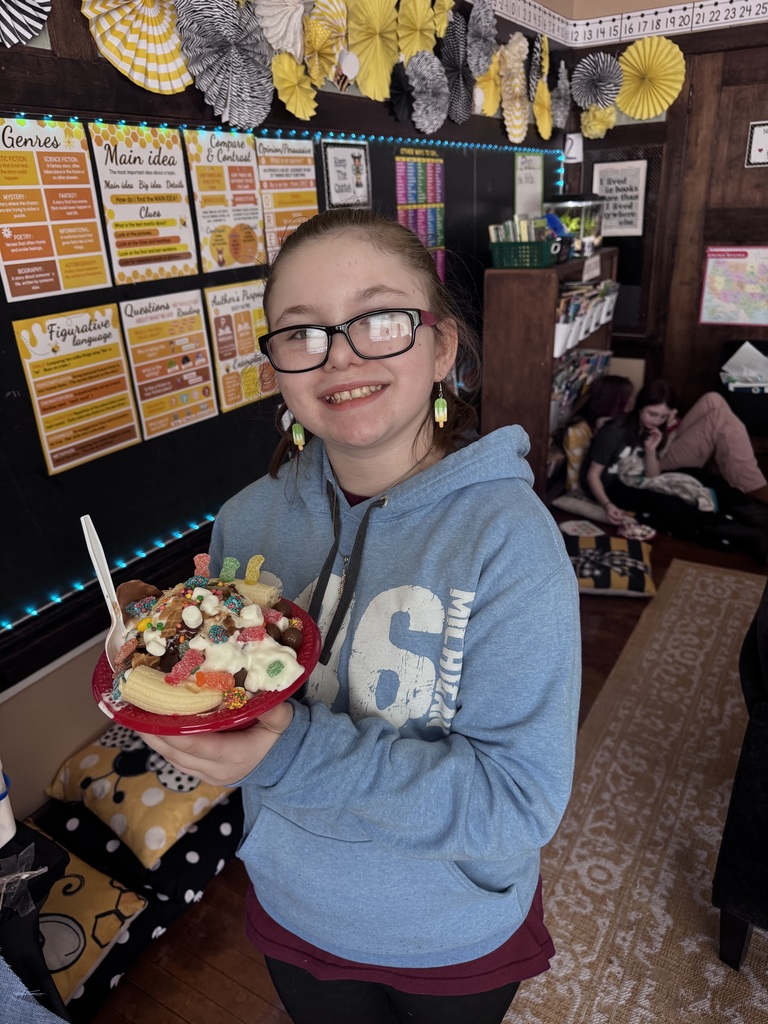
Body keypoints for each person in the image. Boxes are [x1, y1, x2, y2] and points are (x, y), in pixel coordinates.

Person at [139, 208, 581, 1024]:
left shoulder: (510, 541)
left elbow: (519, 801)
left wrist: (293, 749)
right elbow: (236, 706)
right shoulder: (246, 521)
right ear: (277, 365)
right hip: (295, 907)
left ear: (442, 346)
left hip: (452, 933)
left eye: (380, 319)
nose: (341, 356)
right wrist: (177, 667)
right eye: (302, 333)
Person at [582, 378, 768, 557]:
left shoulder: (654, 429)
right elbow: (593, 475)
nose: (656, 421)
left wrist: (650, 450)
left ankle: (757, 515)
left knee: (703, 478)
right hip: (612, 484)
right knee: (668, 502)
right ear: (639, 407)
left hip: (639, 476)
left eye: (662, 417)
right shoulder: (613, 432)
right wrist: (607, 505)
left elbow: (653, 476)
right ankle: (746, 534)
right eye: (652, 414)